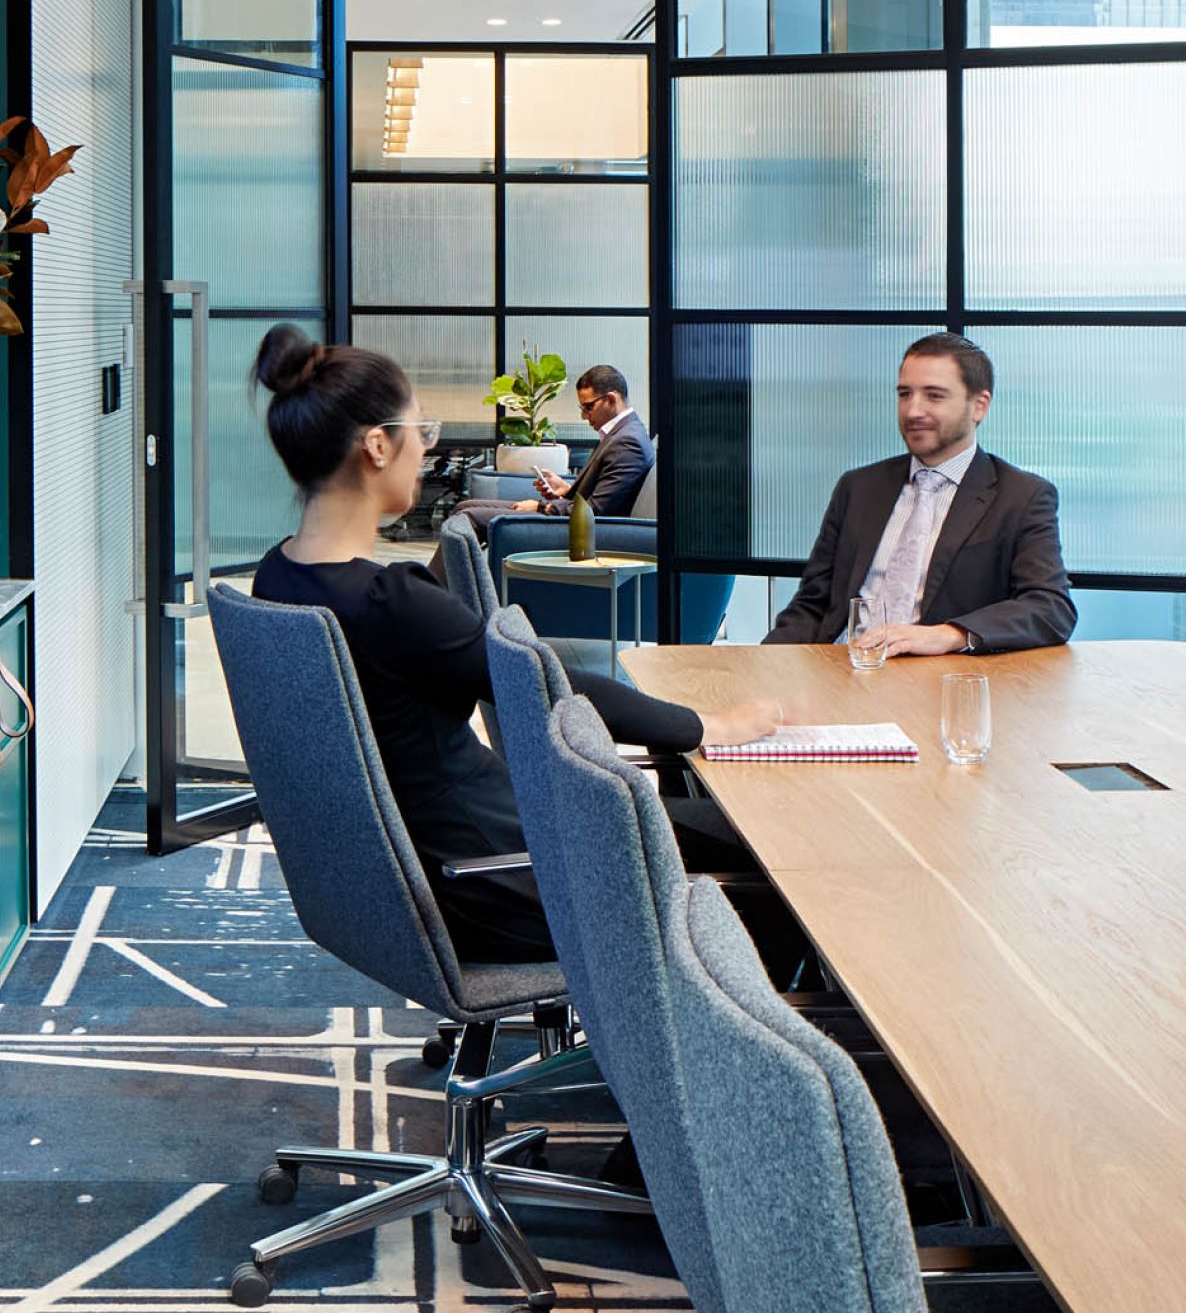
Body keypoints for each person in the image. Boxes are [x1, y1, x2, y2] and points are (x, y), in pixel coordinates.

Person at [250, 326, 779, 964]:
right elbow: (553, 688)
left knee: (687, 831)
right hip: (495, 879)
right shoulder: (391, 601)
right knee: (767, 878)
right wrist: (709, 726)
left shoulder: (274, 576)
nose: (425, 449)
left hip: (416, 874)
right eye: (422, 432)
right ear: (376, 445)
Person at [766, 333, 1075, 654]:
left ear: (979, 406)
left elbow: (1050, 607)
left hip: (941, 682)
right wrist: (761, 668)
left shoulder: (1021, 496)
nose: (913, 411)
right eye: (905, 394)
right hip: (844, 669)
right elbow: (812, 605)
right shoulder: (858, 487)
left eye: (934, 396)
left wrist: (950, 634)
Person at [429, 365, 654, 577]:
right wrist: (565, 489)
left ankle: (434, 594)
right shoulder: (622, 435)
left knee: (469, 517)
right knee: (463, 507)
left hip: (582, 533)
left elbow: (596, 511)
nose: (583, 416)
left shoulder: (627, 443)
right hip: (574, 520)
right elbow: (600, 495)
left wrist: (542, 507)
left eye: (588, 407)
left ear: (611, 399)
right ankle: (446, 590)